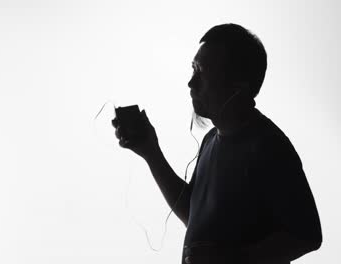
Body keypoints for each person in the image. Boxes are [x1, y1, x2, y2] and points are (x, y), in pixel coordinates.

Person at [111, 23, 322, 264]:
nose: (191, 83)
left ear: (238, 85)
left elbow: (307, 235)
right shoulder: (211, 140)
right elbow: (194, 214)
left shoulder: (269, 146)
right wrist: (150, 151)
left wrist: (235, 259)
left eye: (201, 71)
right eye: (192, 69)